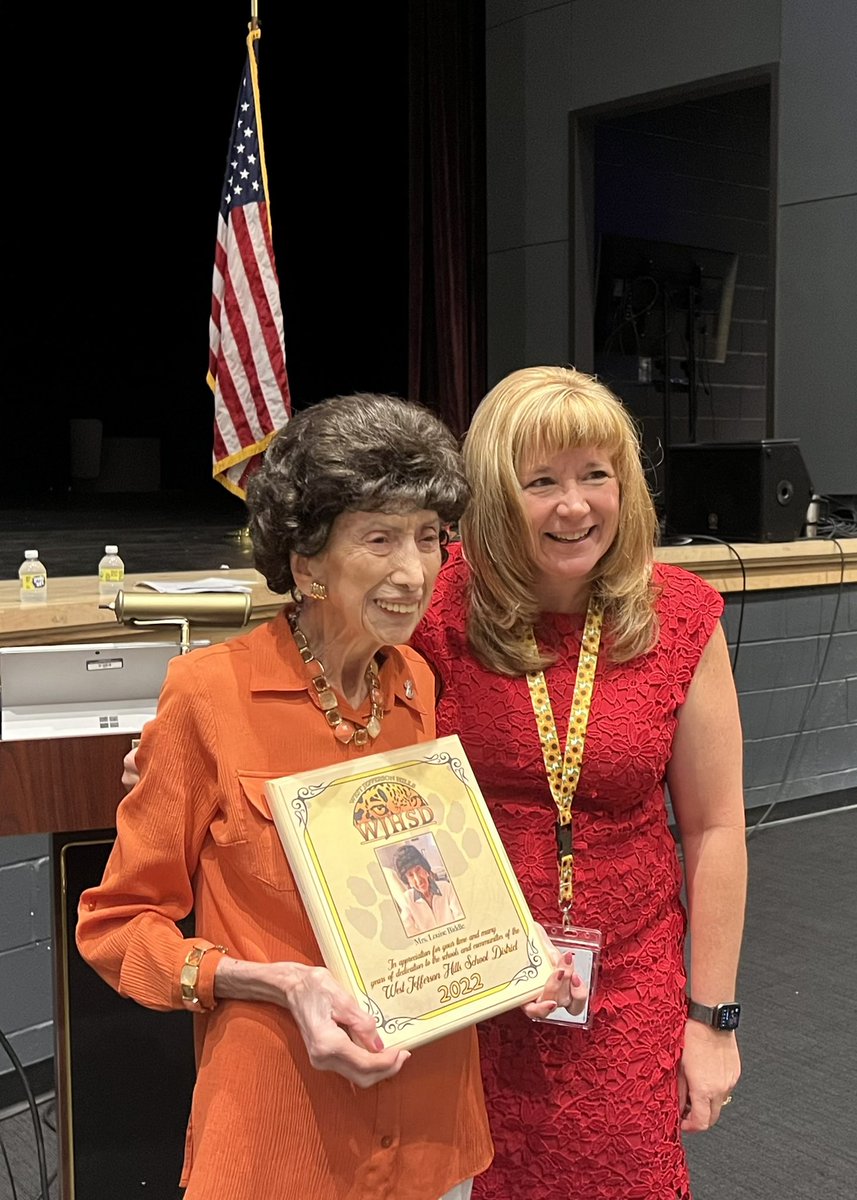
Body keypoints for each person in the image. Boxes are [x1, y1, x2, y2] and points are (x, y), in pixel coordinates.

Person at [77, 393, 500, 1200]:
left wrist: (503, 952)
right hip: (281, 1131)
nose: (413, 572)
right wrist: (275, 982)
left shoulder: (413, 683)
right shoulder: (208, 695)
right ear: (306, 564)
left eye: (427, 538)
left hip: (429, 1121)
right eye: (377, 539)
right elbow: (115, 928)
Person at [411, 365, 747, 1199]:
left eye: (596, 475)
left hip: (627, 988)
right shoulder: (431, 611)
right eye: (541, 482)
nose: (574, 506)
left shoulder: (679, 618)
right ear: (492, 494)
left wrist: (712, 1023)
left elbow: (715, 829)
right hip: (469, 990)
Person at [394, 842, 464, 934]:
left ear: (426, 870)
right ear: (408, 882)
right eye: (410, 875)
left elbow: (460, 916)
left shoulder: (446, 887)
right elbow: (408, 930)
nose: (418, 879)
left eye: (418, 869)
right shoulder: (407, 900)